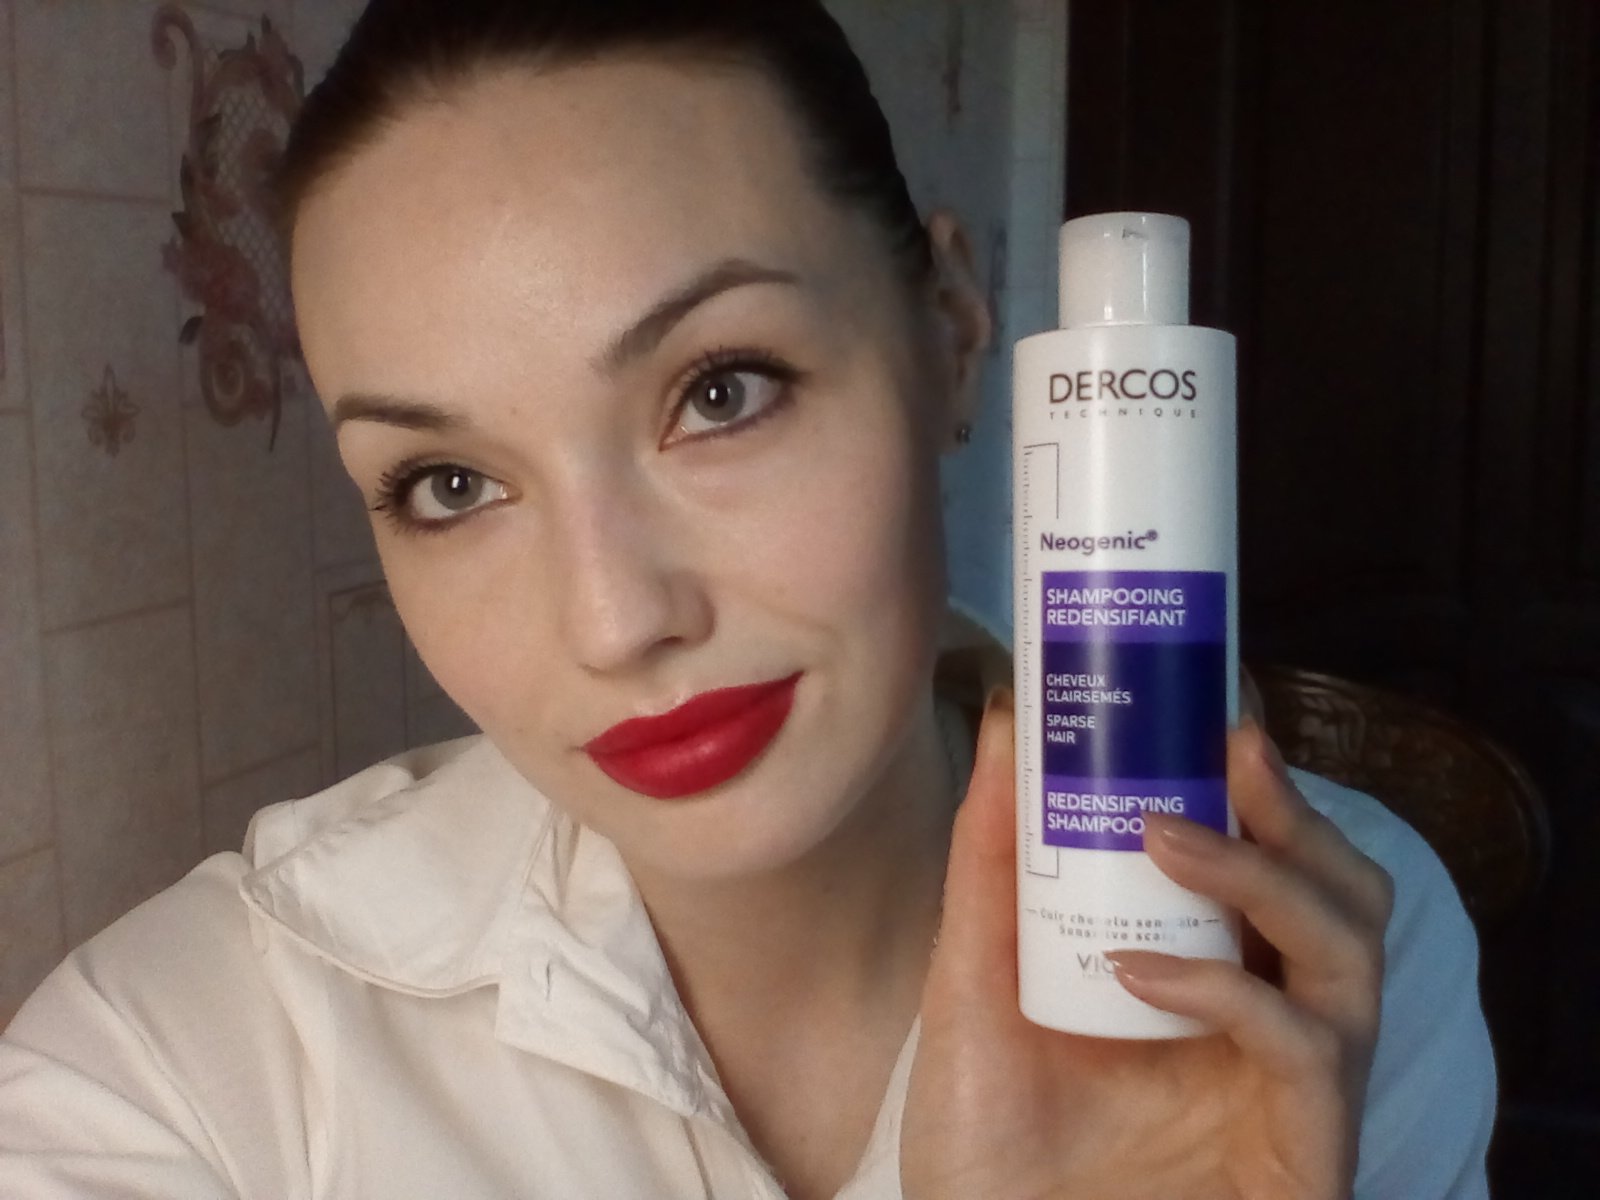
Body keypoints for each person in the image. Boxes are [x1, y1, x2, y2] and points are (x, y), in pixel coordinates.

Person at [0, 1, 1495, 1196]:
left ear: (951, 335)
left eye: (721, 391)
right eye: (449, 484)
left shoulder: (1315, 974)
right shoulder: (174, 1075)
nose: (613, 620)